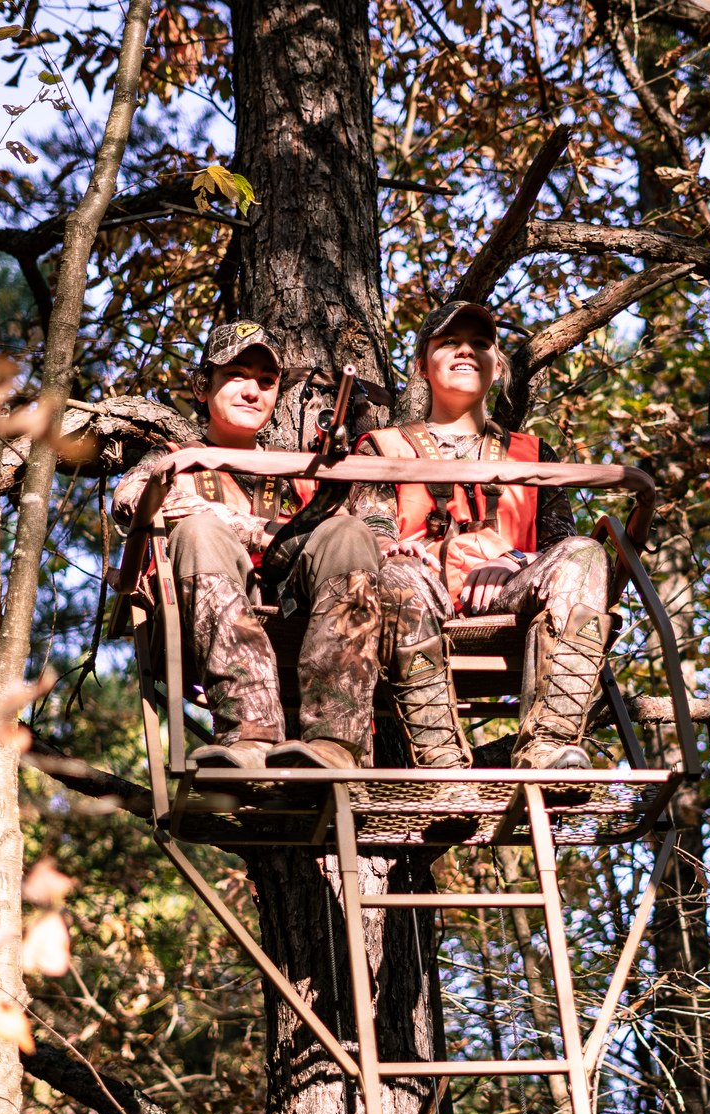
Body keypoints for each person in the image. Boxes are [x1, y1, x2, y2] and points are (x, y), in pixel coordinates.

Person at [351, 301, 612, 770]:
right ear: (421, 366)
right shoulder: (382, 446)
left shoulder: (534, 454)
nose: (465, 351)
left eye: (480, 343)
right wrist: (394, 549)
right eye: (449, 342)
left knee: (587, 554)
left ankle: (549, 747)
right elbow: (369, 529)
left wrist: (513, 560)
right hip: (417, 592)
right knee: (395, 574)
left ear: (497, 368)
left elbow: (560, 549)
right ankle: (442, 764)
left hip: (508, 594)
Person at [111, 321, 382, 771]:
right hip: (200, 623)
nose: (252, 391)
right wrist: (261, 533)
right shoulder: (172, 458)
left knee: (351, 533)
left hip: (300, 618)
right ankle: (249, 737)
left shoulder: (297, 470)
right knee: (199, 530)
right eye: (236, 375)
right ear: (202, 387)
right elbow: (130, 499)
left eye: (266, 382)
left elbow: (348, 540)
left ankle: (337, 744)